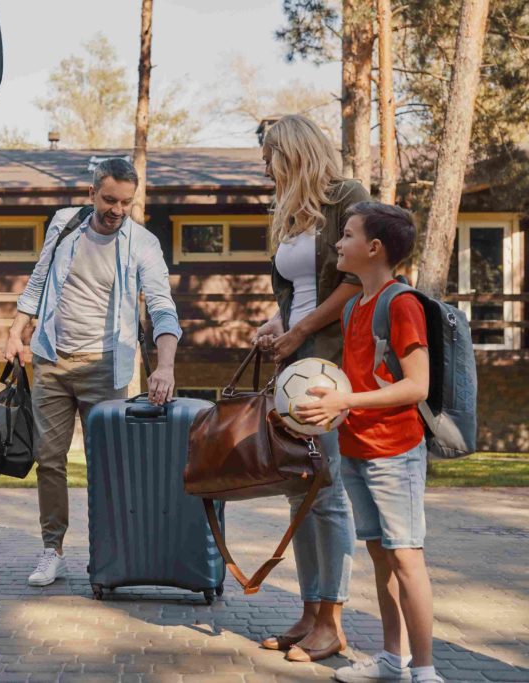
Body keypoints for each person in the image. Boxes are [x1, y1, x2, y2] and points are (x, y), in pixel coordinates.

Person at [4, 157, 181, 587]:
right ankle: (53, 550)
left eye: (126, 202)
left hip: (106, 366)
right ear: (91, 194)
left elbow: (161, 306)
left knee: (109, 465)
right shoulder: (64, 224)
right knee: (49, 458)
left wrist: (166, 365)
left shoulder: (143, 244)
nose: (117, 210)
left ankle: (108, 552)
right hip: (51, 358)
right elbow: (39, 279)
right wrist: (15, 332)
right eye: (109, 200)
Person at [300, 202, 441, 683]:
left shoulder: (400, 303)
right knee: (382, 556)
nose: (338, 244)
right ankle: (392, 659)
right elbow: (362, 376)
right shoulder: (358, 304)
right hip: (358, 447)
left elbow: (416, 385)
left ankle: (424, 671)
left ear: (374, 248)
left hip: (394, 452)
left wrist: (346, 400)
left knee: (406, 557)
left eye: (347, 235)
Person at [251, 114, 365, 663]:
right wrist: (279, 325)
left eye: (269, 156)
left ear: (292, 152)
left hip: (328, 365)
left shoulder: (346, 197)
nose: (263, 167)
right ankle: (308, 611)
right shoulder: (290, 214)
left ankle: (333, 622)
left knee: (328, 490)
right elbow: (297, 290)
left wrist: (300, 328)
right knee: (299, 488)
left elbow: (353, 280)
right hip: (292, 362)